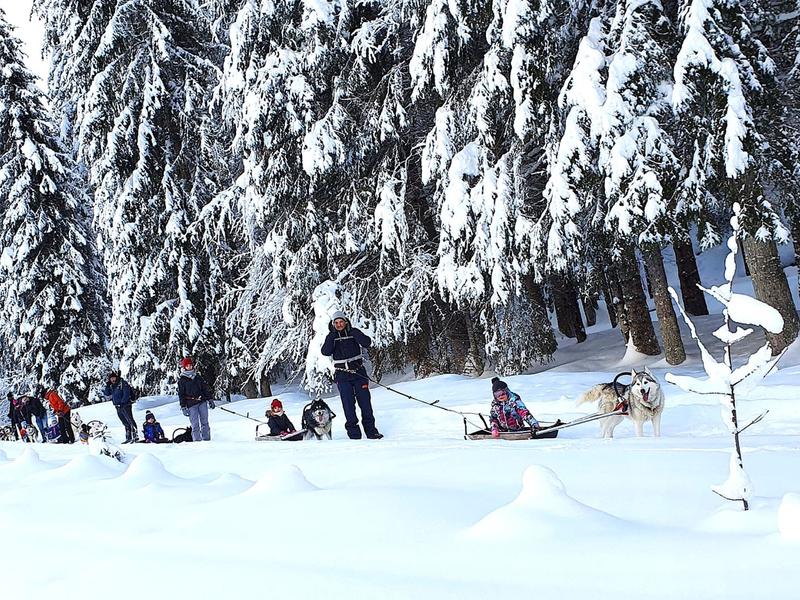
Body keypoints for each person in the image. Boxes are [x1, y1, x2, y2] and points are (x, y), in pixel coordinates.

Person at [320, 310, 382, 440]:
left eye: (341, 321)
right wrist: (332, 336)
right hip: (342, 375)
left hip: (359, 373)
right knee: (348, 406)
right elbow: (325, 352)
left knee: (365, 404)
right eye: (336, 323)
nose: (339, 324)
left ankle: (371, 432)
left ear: (345, 321)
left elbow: (367, 342)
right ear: (333, 324)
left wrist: (354, 333)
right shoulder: (331, 336)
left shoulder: (354, 332)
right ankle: (354, 435)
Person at [177, 357, 215, 441]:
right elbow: (181, 394)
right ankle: (197, 441)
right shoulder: (182, 380)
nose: (189, 367)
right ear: (184, 367)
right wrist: (183, 406)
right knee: (195, 424)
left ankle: (206, 439)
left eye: (190, 365)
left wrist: (210, 399)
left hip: (202, 402)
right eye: (187, 366)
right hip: (191, 404)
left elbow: (204, 389)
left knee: (205, 422)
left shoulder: (198, 377)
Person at [103, 371, 138, 443]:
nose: (112, 380)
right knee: (124, 421)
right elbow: (107, 393)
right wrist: (107, 385)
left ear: (116, 377)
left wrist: (123, 402)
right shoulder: (112, 386)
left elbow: (126, 393)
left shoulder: (122, 383)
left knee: (130, 420)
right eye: (111, 378)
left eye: (113, 378)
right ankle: (128, 437)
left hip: (125, 405)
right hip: (117, 406)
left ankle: (135, 435)